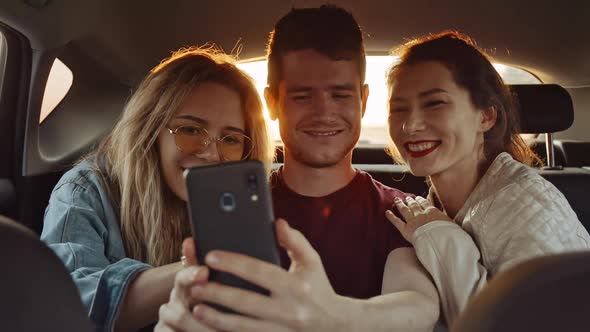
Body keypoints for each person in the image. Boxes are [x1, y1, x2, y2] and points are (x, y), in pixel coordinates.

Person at [156, 5, 439, 332]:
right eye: (303, 96)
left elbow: (418, 305)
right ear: (273, 103)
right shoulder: (234, 207)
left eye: (340, 94)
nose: (324, 112)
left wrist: (328, 315)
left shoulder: (398, 210)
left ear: (362, 101)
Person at [40, 46, 274, 331]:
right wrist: (197, 272)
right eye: (190, 130)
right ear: (150, 132)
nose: (212, 154)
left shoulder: (245, 202)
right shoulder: (85, 190)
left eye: (230, 139)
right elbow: (64, 301)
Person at [384, 31, 590, 328]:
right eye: (398, 108)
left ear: (486, 117)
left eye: (435, 103)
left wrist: (442, 238)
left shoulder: (527, 205)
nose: (410, 124)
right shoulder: (428, 211)